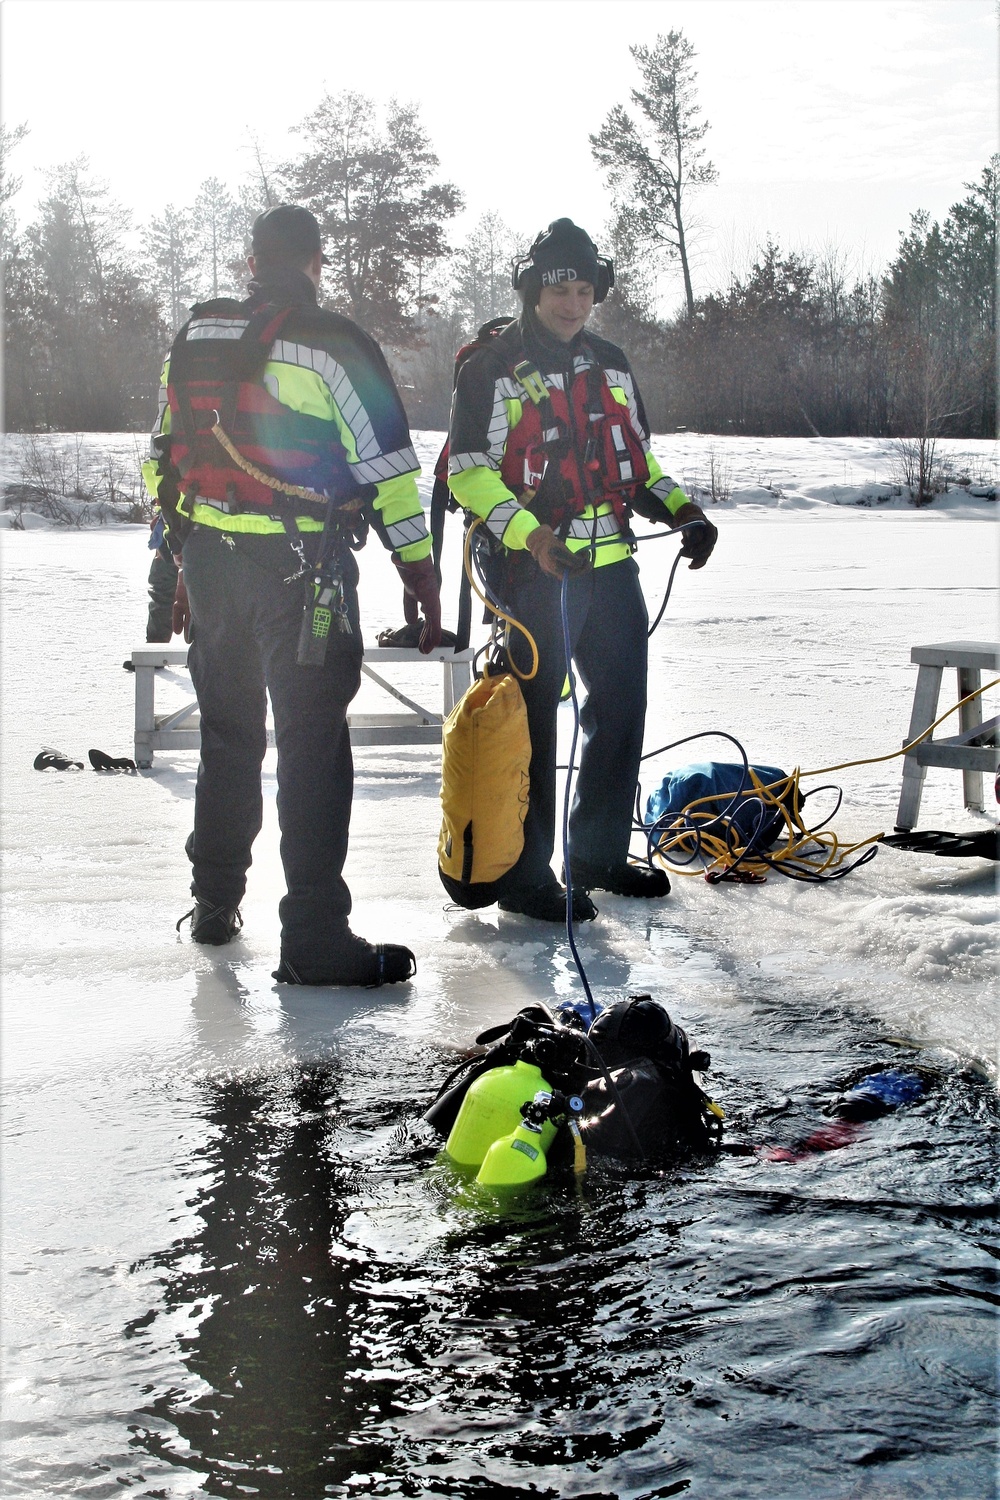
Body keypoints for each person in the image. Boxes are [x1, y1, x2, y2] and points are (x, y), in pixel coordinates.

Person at [143, 204, 441, 985]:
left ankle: (214, 905)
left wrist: (182, 558)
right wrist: (420, 571)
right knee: (309, 746)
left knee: (229, 735)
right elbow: (389, 473)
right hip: (300, 571)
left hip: (210, 565)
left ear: (250, 261)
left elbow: (160, 462)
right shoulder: (336, 343)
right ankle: (311, 938)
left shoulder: (195, 336)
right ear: (315, 264)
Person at [447, 218, 718, 923]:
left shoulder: (612, 361)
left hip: (611, 566)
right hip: (532, 573)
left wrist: (684, 513)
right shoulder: (491, 368)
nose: (572, 302)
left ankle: (596, 857)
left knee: (620, 709)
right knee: (533, 721)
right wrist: (534, 539)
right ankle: (525, 876)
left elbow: (638, 460)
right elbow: (468, 475)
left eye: (583, 289)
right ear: (534, 290)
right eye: (559, 288)